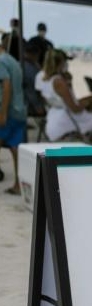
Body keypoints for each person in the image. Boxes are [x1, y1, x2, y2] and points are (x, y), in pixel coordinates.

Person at [36, 49, 92, 144]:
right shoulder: (58, 81)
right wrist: (87, 103)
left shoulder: (44, 78)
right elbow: (75, 108)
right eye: (65, 62)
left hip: (61, 114)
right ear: (60, 63)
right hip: (71, 118)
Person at [0, 33, 27, 195]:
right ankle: (19, 184)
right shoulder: (12, 60)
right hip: (19, 109)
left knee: (14, 147)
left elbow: (7, 86)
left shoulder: (1, 62)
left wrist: (3, 113)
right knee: (16, 148)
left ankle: (19, 183)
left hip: (8, 111)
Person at [22, 41, 45, 117]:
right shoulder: (30, 69)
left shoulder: (20, 64)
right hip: (29, 105)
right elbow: (30, 89)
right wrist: (37, 106)